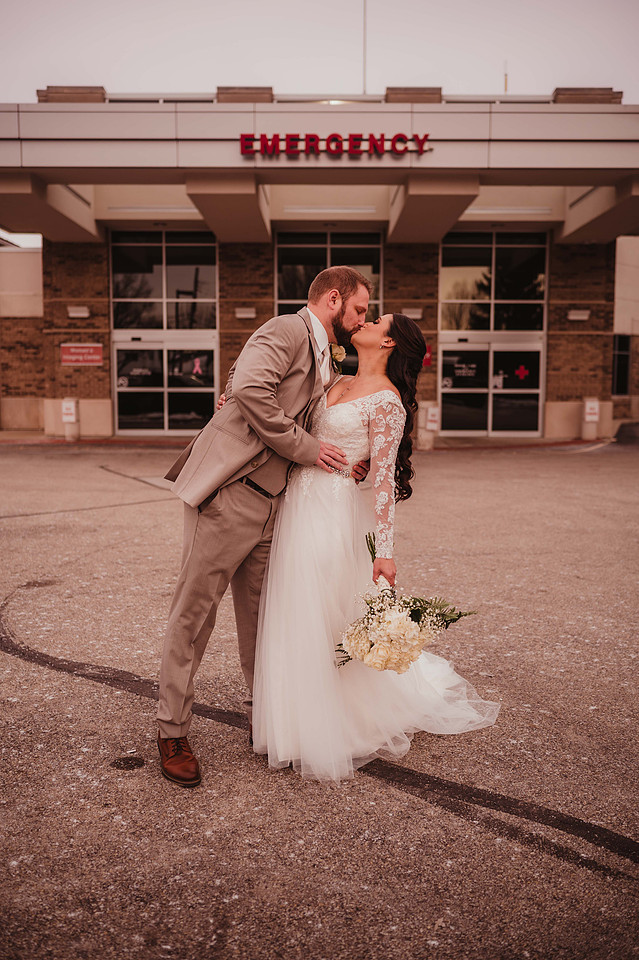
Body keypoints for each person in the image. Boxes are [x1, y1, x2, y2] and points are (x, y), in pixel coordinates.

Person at [252, 313, 500, 782]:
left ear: (388, 342)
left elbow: (383, 482)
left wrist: (384, 552)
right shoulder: (335, 379)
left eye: (377, 320)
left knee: (324, 611)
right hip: (295, 504)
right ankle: (292, 715)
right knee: (293, 607)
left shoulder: (387, 402)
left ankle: (331, 722)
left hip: (331, 511)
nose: (365, 320)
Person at [157, 266, 372, 787]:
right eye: (360, 309)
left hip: (277, 503)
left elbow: (248, 384)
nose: (361, 319)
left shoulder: (326, 353)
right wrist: (309, 448)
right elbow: (252, 390)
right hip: (231, 495)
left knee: (263, 621)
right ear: (334, 299)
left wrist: (349, 457)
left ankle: (264, 717)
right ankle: (172, 730)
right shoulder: (285, 328)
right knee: (194, 616)